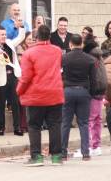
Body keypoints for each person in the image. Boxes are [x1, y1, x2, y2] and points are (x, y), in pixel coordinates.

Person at [17, 25, 64, 166]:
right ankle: (56, 156)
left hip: (36, 94)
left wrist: (19, 90)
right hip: (54, 92)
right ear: (49, 36)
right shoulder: (57, 51)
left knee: (34, 126)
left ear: (36, 37)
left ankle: (36, 156)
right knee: (55, 125)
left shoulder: (29, 53)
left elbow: (26, 77)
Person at [61, 34, 96, 161]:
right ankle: (85, 153)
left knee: (65, 123)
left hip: (68, 91)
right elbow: (93, 80)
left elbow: (59, 74)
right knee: (84, 123)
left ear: (70, 44)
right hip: (83, 91)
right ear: (81, 44)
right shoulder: (90, 59)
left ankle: (63, 153)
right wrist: (91, 94)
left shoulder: (64, 58)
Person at [0, 26, 25, 136]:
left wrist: (20, 26)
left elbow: (20, 37)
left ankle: (17, 127)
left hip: (12, 76)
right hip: (1, 78)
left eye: (5, 34)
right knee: (1, 104)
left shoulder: (9, 42)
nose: (4, 36)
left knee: (15, 103)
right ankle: (1, 128)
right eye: (2, 34)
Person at [80, 32, 107, 157]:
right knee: (97, 119)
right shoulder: (99, 55)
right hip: (101, 89)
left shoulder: (89, 57)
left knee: (91, 119)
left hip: (93, 89)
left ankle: (91, 146)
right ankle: (96, 145)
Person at [16, 32, 35, 132]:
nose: (30, 41)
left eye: (32, 39)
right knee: (23, 103)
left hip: (33, 79)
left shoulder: (34, 49)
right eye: (28, 39)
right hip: (23, 78)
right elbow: (21, 62)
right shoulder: (20, 49)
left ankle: (30, 125)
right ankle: (23, 125)